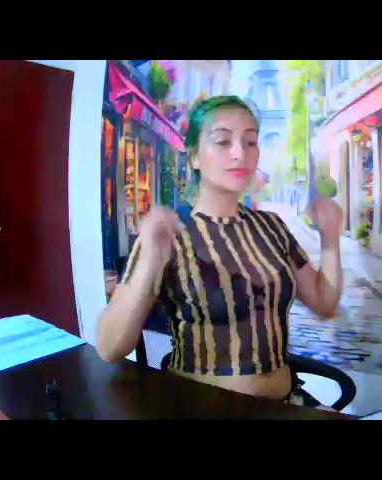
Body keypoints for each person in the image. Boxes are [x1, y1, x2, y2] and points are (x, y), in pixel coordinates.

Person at [97, 96, 344, 408]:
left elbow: (324, 302)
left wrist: (330, 239)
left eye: (250, 142)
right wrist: (150, 260)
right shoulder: (170, 231)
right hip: (201, 409)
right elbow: (109, 347)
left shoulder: (272, 227)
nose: (240, 153)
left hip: (287, 401)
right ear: (194, 157)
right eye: (223, 141)